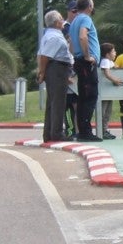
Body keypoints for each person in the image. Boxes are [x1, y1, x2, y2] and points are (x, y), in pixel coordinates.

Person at [36, 9, 73, 145]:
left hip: (57, 69)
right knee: (58, 102)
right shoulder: (55, 37)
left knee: (53, 102)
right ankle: (56, 133)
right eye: (61, 19)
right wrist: (42, 72)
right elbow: (45, 56)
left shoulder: (49, 35)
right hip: (56, 68)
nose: (63, 21)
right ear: (57, 22)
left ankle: (50, 133)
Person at [68, 0, 101, 141]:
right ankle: (86, 132)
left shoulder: (74, 20)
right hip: (87, 63)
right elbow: (83, 36)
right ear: (89, 6)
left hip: (78, 61)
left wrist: (76, 55)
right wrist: (87, 56)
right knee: (90, 96)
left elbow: (71, 43)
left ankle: (82, 130)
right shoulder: (85, 19)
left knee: (83, 96)